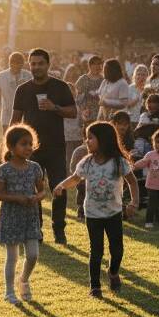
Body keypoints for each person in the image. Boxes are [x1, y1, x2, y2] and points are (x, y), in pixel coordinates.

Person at [54, 122, 139, 298]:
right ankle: (95, 286)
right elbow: (75, 178)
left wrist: (133, 203)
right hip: (92, 214)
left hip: (114, 213)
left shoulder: (118, 162)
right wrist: (61, 186)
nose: (87, 141)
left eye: (91, 137)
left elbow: (132, 181)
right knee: (96, 250)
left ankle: (113, 272)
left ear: (104, 140)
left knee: (117, 250)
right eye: (86, 137)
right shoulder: (87, 162)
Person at [11, 48, 77, 244]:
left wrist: (54, 107)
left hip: (56, 146)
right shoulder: (23, 90)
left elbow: (73, 112)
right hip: (29, 149)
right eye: (33, 64)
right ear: (29, 65)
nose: (37, 67)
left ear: (48, 65)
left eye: (40, 63)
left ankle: (59, 229)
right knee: (33, 190)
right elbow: (15, 121)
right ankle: (36, 230)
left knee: (59, 187)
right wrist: (10, 148)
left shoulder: (60, 87)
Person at [0, 124, 45, 305]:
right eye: (24, 144)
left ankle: (23, 280)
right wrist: (17, 198)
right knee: (12, 256)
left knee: (33, 254)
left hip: (30, 217)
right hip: (11, 216)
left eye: (30, 144)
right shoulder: (4, 170)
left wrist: (36, 198)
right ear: (11, 146)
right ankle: (9, 292)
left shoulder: (35, 168)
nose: (28, 148)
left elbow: (42, 191)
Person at [0, 51, 32, 132]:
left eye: (19, 64)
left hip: (25, 114)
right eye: (13, 63)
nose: (16, 66)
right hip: (7, 113)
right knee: (7, 138)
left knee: (22, 138)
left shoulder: (28, 75)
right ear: (9, 63)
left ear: (23, 64)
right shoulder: (2, 76)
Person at [75, 55, 103, 129]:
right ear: (90, 66)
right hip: (86, 114)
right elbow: (77, 98)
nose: (97, 66)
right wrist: (83, 110)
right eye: (95, 64)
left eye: (99, 64)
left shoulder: (104, 80)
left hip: (100, 114)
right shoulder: (83, 79)